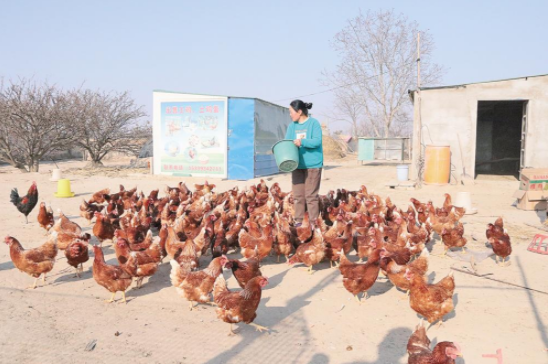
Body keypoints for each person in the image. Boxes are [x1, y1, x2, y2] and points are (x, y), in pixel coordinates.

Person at [285, 100, 323, 226]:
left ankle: (313, 224)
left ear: (299, 112)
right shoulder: (292, 126)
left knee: (311, 196)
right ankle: (299, 221)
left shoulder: (313, 123)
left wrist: (302, 142)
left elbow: (317, 141)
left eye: (291, 112)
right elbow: (287, 143)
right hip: (297, 165)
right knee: (298, 196)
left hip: (313, 165)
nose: (290, 114)